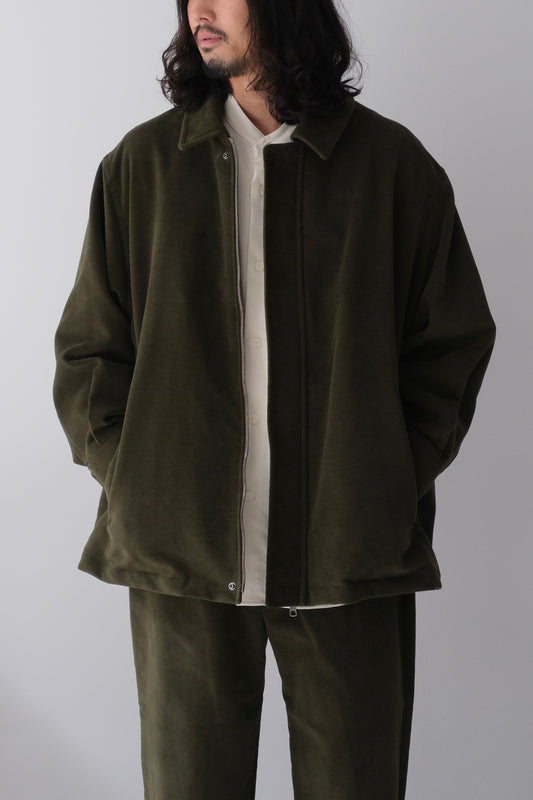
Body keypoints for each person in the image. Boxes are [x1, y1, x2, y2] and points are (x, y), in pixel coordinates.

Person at [52, 0, 496, 798]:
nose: (199, 10)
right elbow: (89, 350)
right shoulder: (143, 166)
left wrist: (385, 475)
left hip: (347, 549)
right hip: (181, 555)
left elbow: (450, 344)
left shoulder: (391, 168)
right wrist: (134, 472)